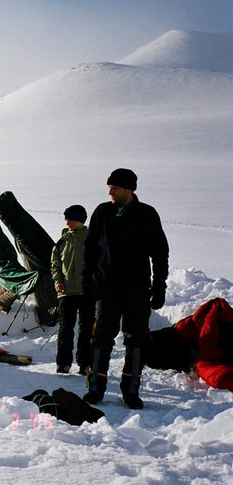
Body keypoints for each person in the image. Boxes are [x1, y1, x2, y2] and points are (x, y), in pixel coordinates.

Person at [81, 168, 169, 409]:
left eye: (115, 188)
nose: (110, 192)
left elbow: (160, 253)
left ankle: (131, 391)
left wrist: (159, 285)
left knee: (136, 339)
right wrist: (87, 279)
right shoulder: (102, 212)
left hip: (137, 289)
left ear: (129, 190)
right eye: (109, 187)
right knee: (101, 338)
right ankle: (96, 389)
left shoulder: (147, 214)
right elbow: (90, 249)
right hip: (106, 287)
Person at [51, 204, 94, 375]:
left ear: (80, 219)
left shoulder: (93, 239)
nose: (67, 221)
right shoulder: (62, 241)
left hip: (87, 291)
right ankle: (63, 364)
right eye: (66, 218)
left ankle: (85, 364)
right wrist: (57, 281)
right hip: (66, 292)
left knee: (86, 328)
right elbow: (55, 265)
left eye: (70, 218)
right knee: (65, 328)